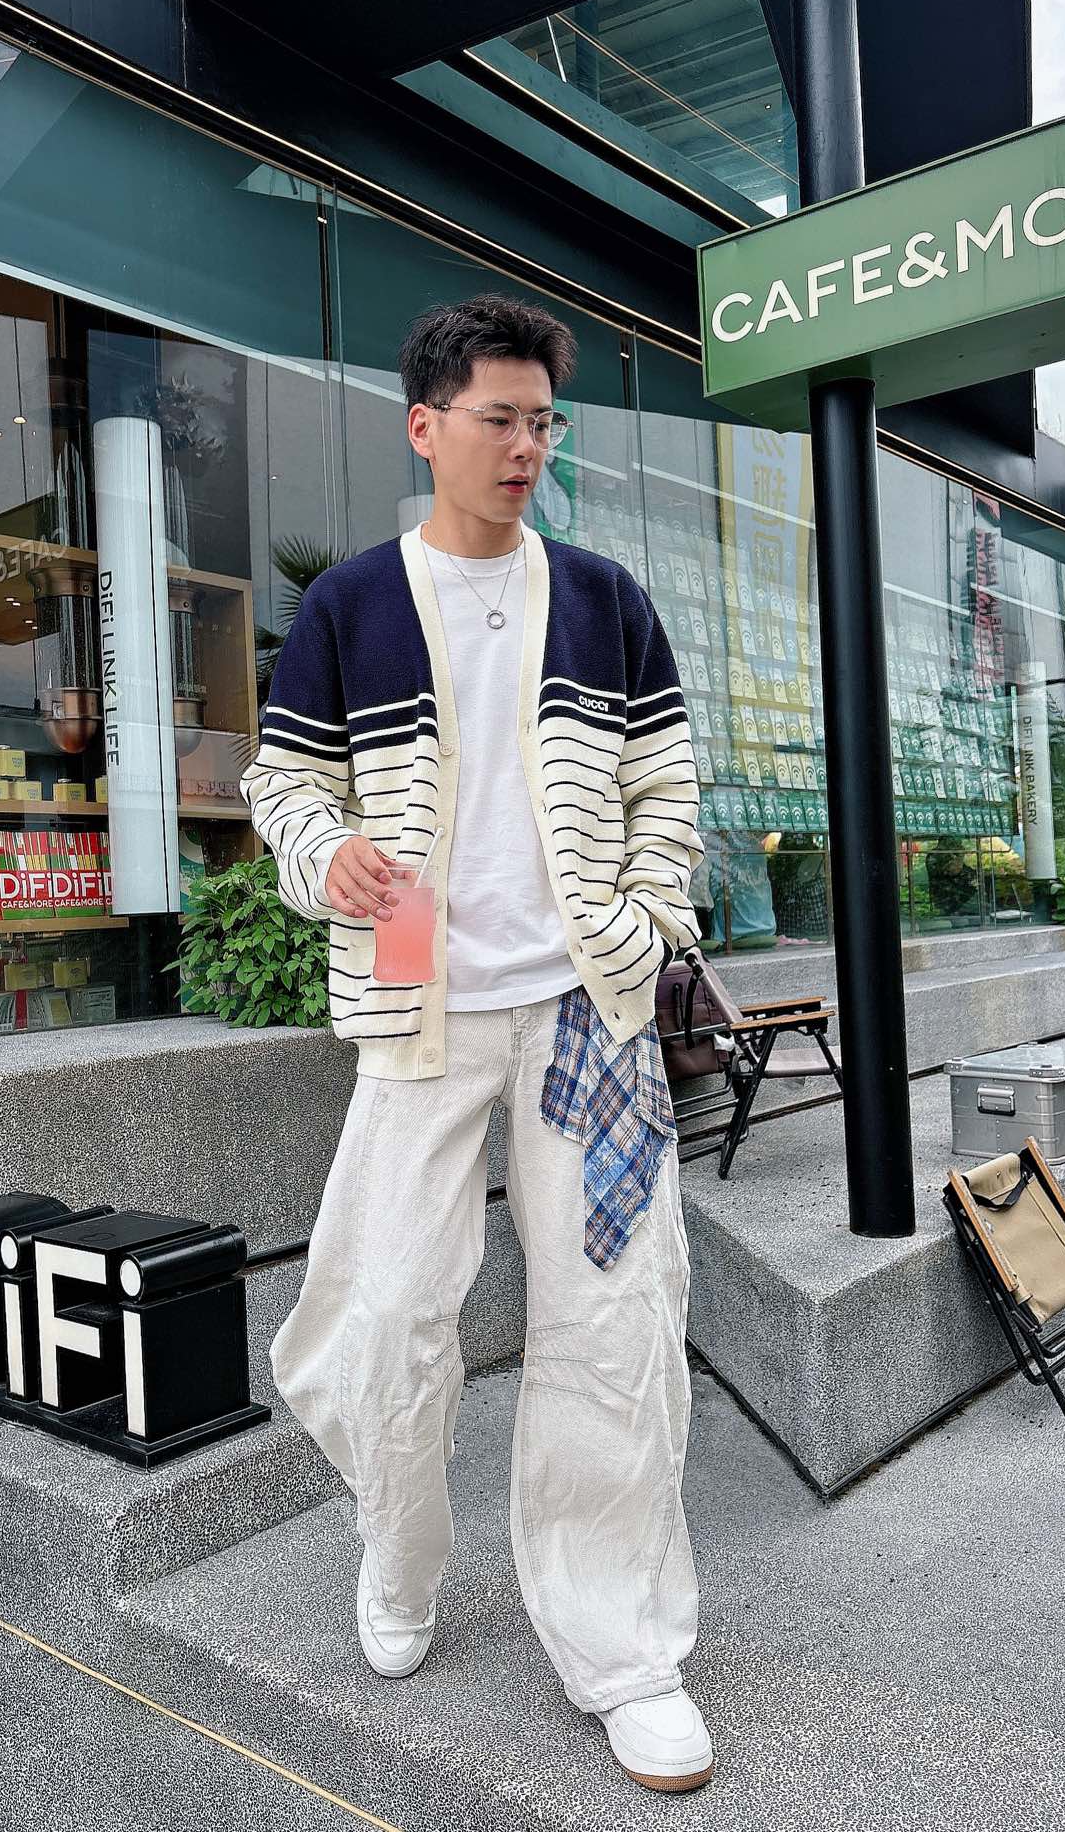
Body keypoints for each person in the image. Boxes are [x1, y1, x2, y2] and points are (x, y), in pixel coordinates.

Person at [239, 293, 712, 1793]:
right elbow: (283, 785)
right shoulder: (351, 606)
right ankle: (400, 1547)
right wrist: (325, 855)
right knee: (382, 1312)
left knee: (614, 1320)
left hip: (589, 1016)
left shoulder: (608, 601)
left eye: (542, 422)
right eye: (499, 419)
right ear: (425, 426)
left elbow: (667, 791)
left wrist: (646, 925)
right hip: (418, 1011)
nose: (525, 447)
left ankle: (623, 1648)